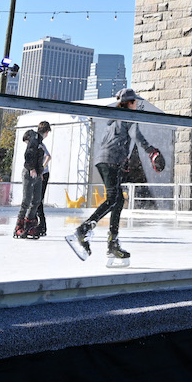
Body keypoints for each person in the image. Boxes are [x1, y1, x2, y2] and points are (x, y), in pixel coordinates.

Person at [68, 89, 164, 261]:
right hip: (110, 161)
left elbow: (112, 142)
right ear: (129, 103)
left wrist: (123, 159)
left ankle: (113, 242)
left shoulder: (112, 120)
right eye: (134, 102)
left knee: (118, 199)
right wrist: (151, 151)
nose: (136, 105)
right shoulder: (128, 116)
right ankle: (84, 230)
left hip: (104, 160)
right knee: (113, 199)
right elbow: (136, 135)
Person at [14, 120, 52, 240]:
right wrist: (31, 168)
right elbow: (29, 154)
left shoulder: (39, 142)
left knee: (36, 200)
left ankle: (29, 224)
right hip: (29, 173)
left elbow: (39, 160)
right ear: (46, 132)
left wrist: (40, 172)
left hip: (37, 174)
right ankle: (18, 226)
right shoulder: (35, 139)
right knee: (27, 200)